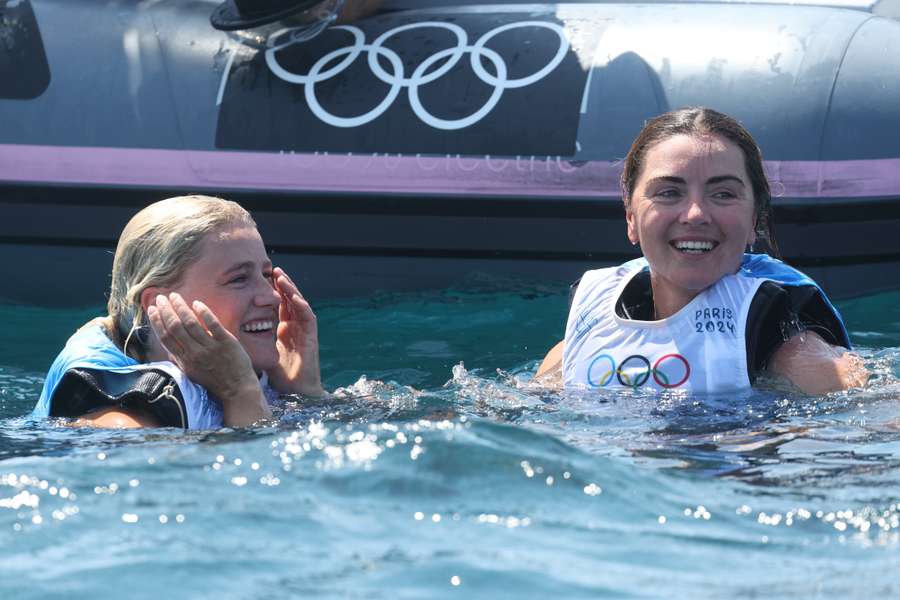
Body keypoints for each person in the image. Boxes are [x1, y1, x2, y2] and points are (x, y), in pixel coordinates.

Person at [537, 107, 868, 394]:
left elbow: (875, 424)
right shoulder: (588, 332)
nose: (695, 214)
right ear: (630, 218)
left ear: (755, 218)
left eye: (723, 194)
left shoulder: (787, 348)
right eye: (668, 192)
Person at [33, 195, 324, 429]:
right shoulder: (119, 426)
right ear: (160, 303)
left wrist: (306, 394)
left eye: (266, 274)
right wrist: (240, 395)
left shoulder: (253, 376)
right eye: (238, 279)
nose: (272, 296)